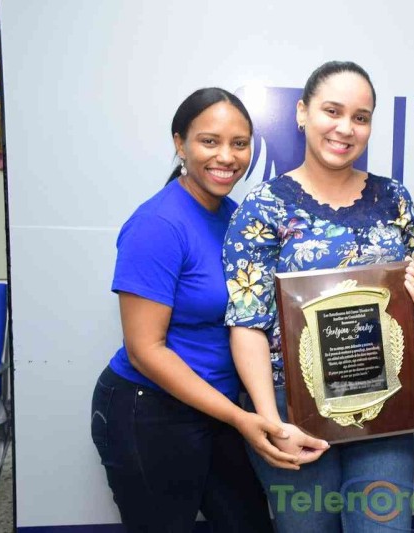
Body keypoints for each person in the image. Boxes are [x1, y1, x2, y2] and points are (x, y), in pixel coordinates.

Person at [223, 61, 414, 532]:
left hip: (382, 403)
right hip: (293, 408)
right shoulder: (263, 206)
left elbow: (406, 301)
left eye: (360, 117)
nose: (345, 128)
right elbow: (247, 321)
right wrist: (271, 421)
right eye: (332, 111)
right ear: (302, 112)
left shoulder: (395, 199)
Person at [90, 88, 307, 532]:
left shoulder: (236, 217)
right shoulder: (157, 224)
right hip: (151, 412)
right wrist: (239, 417)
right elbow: (145, 350)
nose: (227, 156)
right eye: (210, 141)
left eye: (239, 143)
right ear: (180, 144)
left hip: (221, 410)